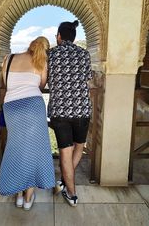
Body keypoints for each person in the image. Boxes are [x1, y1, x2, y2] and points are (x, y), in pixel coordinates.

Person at [0, 36, 55, 210]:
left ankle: (18, 195)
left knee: (15, 148)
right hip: (33, 107)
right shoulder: (41, 62)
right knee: (34, 150)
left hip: (12, 107)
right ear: (44, 50)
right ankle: (28, 198)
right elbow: (41, 84)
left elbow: (6, 82)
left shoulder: (9, 58)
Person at [48, 20, 92, 207]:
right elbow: (88, 78)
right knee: (79, 147)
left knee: (65, 152)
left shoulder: (50, 54)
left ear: (59, 36)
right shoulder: (84, 54)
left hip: (60, 111)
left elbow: (44, 80)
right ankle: (67, 184)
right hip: (82, 110)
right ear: (73, 38)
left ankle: (70, 191)